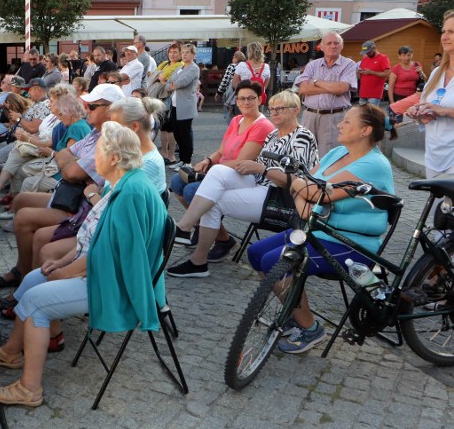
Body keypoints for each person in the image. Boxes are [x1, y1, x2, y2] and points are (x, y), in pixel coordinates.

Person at [0, 122, 166, 407]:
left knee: (35, 300)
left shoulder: (129, 193)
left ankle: (29, 389)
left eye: (97, 152)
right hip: (103, 270)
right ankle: (11, 351)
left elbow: (110, 258)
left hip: (115, 283)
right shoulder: (122, 182)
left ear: (113, 158)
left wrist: (63, 271)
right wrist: (61, 260)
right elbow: (93, 238)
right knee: (33, 279)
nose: (91, 160)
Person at [247, 104, 396, 354]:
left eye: (347, 121)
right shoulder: (338, 152)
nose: (340, 124)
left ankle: (310, 328)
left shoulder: (373, 164)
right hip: (318, 231)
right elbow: (305, 187)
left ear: (365, 130)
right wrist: (305, 198)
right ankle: (292, 311)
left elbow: (313, 193)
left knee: (275, 262)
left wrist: (304, 197)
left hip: (350, 243)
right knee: (256, 254)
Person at [167, 91, 317, 277]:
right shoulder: (273, 135)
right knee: (217, 171)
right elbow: (233, 157)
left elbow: (296, 182)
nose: (275, 113)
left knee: (213, 199)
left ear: (296, 111)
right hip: (260, 184)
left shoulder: (302, 137)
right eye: (272, 109)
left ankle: (193, 250)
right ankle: (187, 235)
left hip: (280, 197)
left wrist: (261, 169)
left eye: (280, 109)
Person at [0, 84, 124, 288]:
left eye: (93, 106)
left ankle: (29, 284)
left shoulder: (107, 137)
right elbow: (63, 159)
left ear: (111, 110)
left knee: (27, 216)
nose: (87, 109)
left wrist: (70, 166)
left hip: (81, 205)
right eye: (87, 106)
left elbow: (70, 171)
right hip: (73, 193)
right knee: (22, 199)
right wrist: (70, 166)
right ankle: (22, 269)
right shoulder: (94, 133)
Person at [168, 80, 274, 249]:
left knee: (191, 190)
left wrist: (211, 171)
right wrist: (207, 161)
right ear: (236, 101)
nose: (246, 102)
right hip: (220, 171)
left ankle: (223, 239)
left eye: (251, 98)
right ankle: (199, 226)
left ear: (260, 100)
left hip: (242, 176)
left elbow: (241, 162)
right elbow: (220, 152)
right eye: (242, 99)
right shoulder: (237, 120)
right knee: (176, 181)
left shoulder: (262, 126)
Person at [406, 9, 454, 179]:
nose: (445, 37)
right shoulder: (436, 73)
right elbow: (426, 106)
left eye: (451, 32)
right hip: (434, 154)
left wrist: (445, 110)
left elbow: (440, 108)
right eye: (443, 32)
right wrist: (418, 113)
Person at [294, 32, 357, 157]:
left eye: (336, 43)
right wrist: (332, 87)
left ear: (342, 46)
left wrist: (317, 82)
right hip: (309, 115)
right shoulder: (313, 65)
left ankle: (325, 177)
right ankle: (307, 177)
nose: (333, 46)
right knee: (305, 153)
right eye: (329, 43)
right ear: (321, 47)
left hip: (333, 117)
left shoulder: (349, 64)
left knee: (328, 157)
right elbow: (303, 89)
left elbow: (342, 88)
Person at [165, 43, 200, 167]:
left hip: (185, 105)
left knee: (185, 134)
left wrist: (172, 84)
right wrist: (171, 85)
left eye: (187, 53)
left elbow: (182, 82)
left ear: (193, 55)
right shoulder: (180, 67)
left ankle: (187, 161)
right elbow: (168, 82)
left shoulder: (194, 68)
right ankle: (182, 160)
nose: (184, 55)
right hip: (175, 105)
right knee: (177, 133)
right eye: (183, 52)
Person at [357, 41, 391, 107]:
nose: (367, 54)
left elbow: (387, 74)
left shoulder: (383, 58)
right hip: (363, 93)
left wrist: (371, 72)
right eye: (366, 52)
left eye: (369, 52)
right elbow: (360, 76)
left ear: (374, 48)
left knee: (372, 115)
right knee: (363, 115)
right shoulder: (365, 59)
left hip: (374, 94)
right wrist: (359, 72)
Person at [216, 51, 246, 125]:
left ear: (237, 58)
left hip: (232, 92)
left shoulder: (232, 66)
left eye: (233, 57)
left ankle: (233, 127)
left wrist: (219, 92)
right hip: (243, 91)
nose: (232, 58)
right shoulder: (245, 66)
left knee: (230, 110)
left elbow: (225, 80)